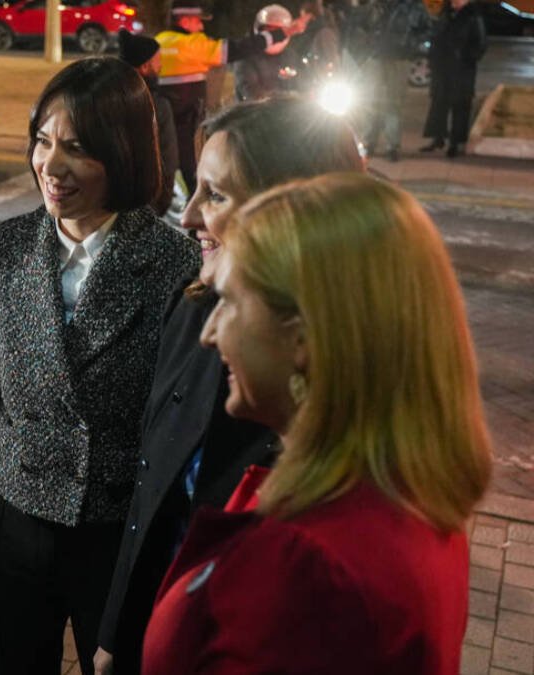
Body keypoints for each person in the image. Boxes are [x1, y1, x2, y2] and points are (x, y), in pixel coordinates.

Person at [142, 171, 492, 674]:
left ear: (305, 337)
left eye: (232, 303)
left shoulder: (308, 573)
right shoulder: (411, 498)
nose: (210, 334)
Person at [0, 57, 199, 675]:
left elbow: (177, 435)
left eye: (76, 148)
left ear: (124, 152)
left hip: (118, 535)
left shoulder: (173, 264)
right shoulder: (7, 248)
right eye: (43, 141)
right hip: (13, 520)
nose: (51, 166)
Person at [93, 96, 365, 675]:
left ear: (291, 206)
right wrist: (117, 629)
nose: (188, 216)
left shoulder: (357, 408)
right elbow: (153, 494)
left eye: (215, 195)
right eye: (194, 189)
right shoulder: (193, 304)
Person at [155, 0, 306, 194]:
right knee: (192, 168)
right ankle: (193, 210)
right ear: (184, 20)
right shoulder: (192, 45)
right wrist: (282, 33)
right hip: (188, 118)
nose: (201, 26)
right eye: (197, 21)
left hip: (162, 119)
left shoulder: (158, 42)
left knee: (164, 164)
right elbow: (236, 49)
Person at [362, 0, 432, 162]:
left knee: (394, 103)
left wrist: (410, 44)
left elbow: (428, 30)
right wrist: (367, 46)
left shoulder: (414, 6)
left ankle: (392, 146)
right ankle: (369, 142)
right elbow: (362, 27)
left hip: (399, 59)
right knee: (371, 101)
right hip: (376, 57)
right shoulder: (375, 5)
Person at [118, 31, 178, 216]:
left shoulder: (105, 97)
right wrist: (162, 202)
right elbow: (167, 156)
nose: (160, 66)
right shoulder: (156, 105)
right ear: (144, 66)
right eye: (157, 61)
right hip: (147, 203)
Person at [421, 0, 487, 158]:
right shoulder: (445, 14)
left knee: (460, 107)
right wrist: (433, 58)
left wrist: (466, 57)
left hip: (461, 71)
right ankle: (438, 138)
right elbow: (436, 36)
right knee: (439, 104)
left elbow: (481, 44)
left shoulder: (473, 17)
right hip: (442, 70)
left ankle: (455, 143)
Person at [232, 5, 300, 102]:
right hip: (254, 113)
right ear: (260, 31)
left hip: (290, 112)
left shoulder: (289, 55)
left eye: (279, 32)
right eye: (270, 31)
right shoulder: (245, 55)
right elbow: (250, 91)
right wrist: (284, 99)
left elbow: (302, 81)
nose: (275, 36)